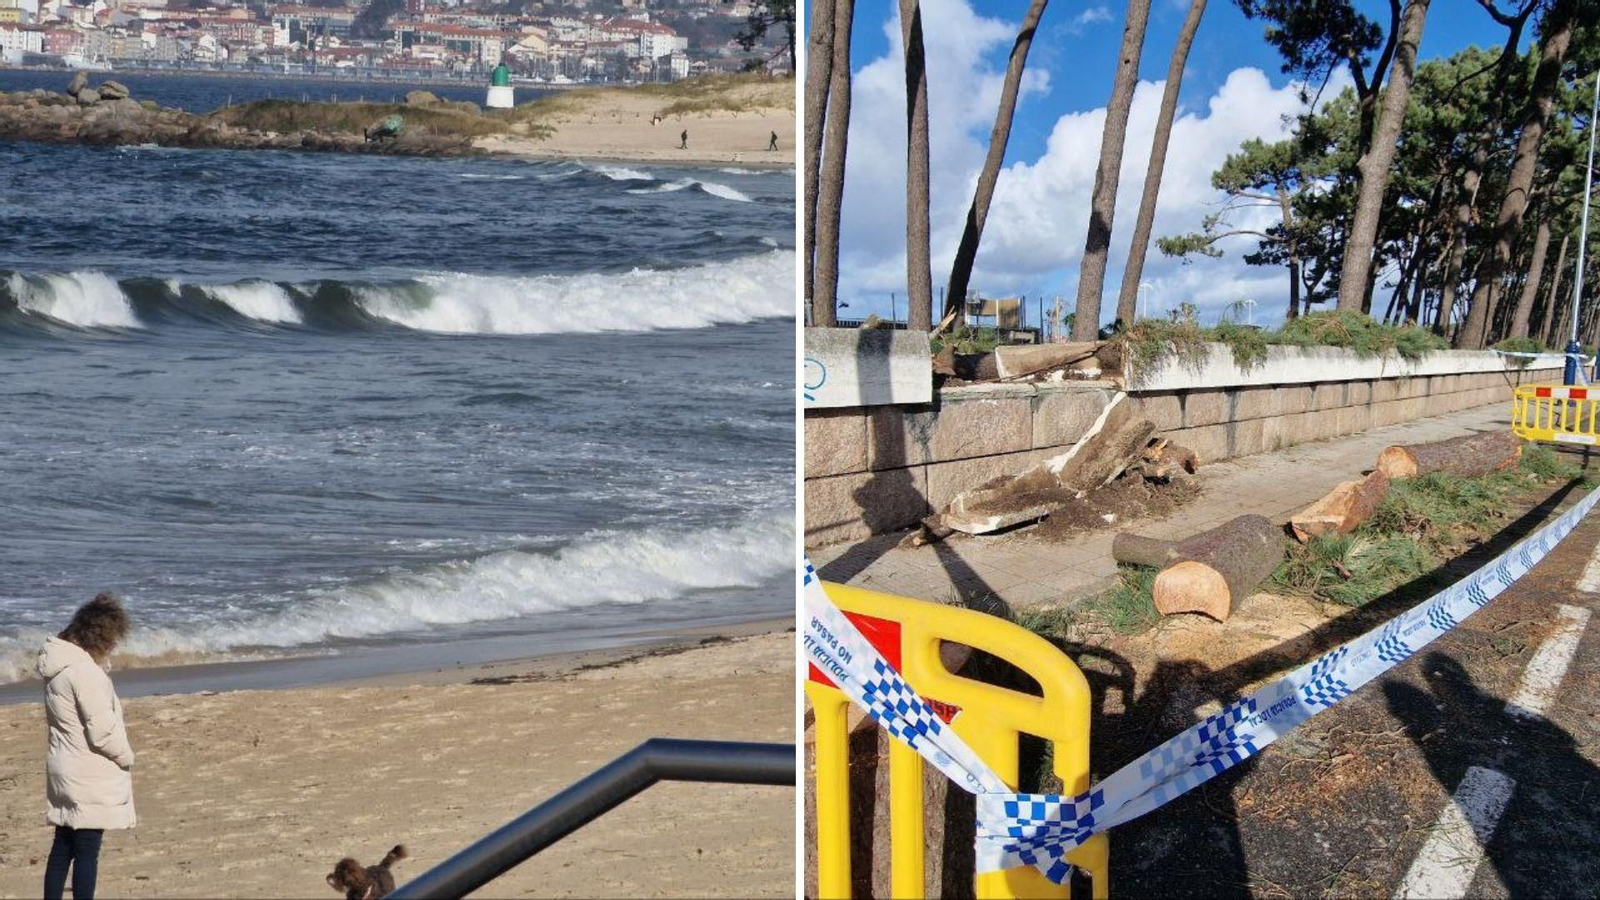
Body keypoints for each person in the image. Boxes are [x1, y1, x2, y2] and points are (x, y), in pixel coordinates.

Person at [38, 593, 135, 900]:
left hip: (64, 766)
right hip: (88, 771)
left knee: (62, 846)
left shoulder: (57, 665)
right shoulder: (85, 672)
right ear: (102, 635)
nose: (113, 646)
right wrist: (127, 757)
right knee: (87, 851)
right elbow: (102, 731)